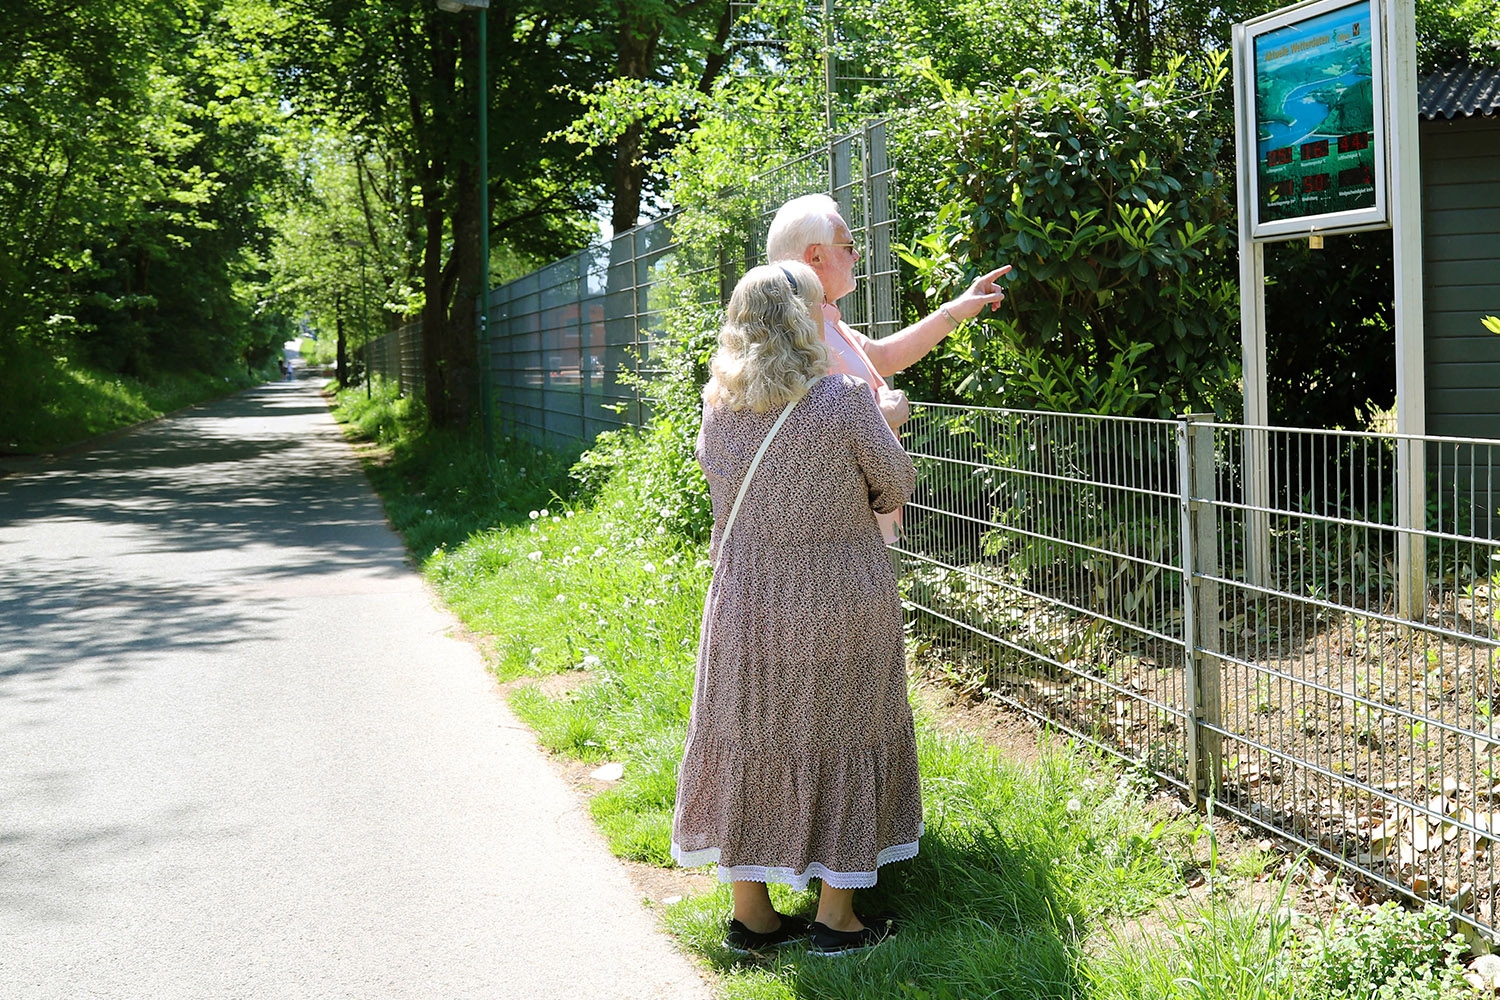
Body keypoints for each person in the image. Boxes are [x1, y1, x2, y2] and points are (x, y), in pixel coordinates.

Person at [671, 261, 920, 957]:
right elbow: (893, 484)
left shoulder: (717, 405)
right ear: (803, 320)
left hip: (745, 599)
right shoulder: (844, 399)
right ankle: (836, 919)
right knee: (846, 732)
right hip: (839, 595)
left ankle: (752, 918)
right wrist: (888, 422)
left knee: (748, 735)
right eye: (819, 309)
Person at [765, 193, 1011, 545]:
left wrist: (959, 308)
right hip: (834, 534)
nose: (857, 255)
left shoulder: (825, 321)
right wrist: (879, 417)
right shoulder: (796, 333)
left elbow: (882, 356)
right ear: (816, 257)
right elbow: (803, 431)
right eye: (849, 246)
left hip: (854, 521)